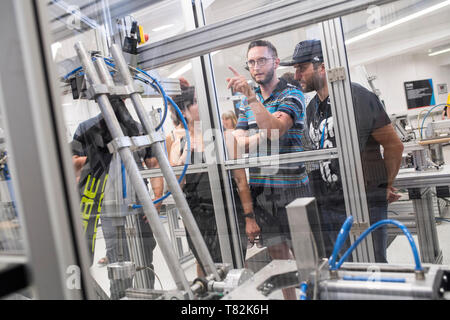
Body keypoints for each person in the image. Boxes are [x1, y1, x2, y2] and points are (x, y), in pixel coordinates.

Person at [280, 39, 404, 262]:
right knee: (341, 269)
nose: (297, 76)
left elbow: (394, 145)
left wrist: (385, 185)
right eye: (295, 69)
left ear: (322, 66)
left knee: (372, 267)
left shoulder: (356, 97)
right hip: (329, 205)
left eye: (302, 68)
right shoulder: (312, 108)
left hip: (362, 201)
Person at [226, 39, 310, 300]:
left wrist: (252, 101)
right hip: (263, 190)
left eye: (262, 60)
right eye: (251, 62)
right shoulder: (245, 105)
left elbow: (274, 130)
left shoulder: (291, 94)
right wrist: (259, 136)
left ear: (275, 62)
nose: (256, 66)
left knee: (306, 259)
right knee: (278, 260)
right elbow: (237, 143)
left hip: (293, 189)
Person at [152, 82, 259, 278]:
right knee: (204, 263)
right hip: (196, 214)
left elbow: (241, 181)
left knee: (234, 265)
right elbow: (175, 186)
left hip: (228, 210)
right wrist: (184, 156)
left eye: (202, 100)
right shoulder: (177, 143)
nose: (200, 104)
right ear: (184, 112)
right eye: (194, 102)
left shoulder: (226, 137)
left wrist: (249, 217)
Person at [71, 96, 157, 299]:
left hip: (139, 206)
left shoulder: (136, 127)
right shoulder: (87, 128)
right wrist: (97, 155)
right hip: (109, 207)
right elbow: (72, 161)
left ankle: (149, 295)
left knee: (145, 259)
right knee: (119, 263)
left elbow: (152, 163)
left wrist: (157, 199)